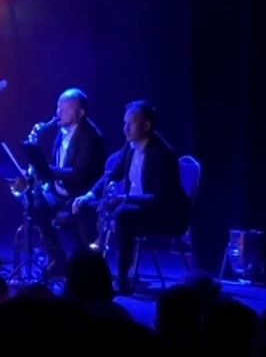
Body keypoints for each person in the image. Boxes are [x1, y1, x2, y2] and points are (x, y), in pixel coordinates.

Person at [71, 100, 190, 294]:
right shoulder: (130, 145)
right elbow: (112, 174)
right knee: (82, 206)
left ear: (146, 126)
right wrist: (89, 195)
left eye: (131, 123)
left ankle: (122, 280)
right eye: (124, 122)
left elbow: (160, 198)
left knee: (124, 214)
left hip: (164, 214)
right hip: (133, 206)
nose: (124, 128)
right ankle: (93, 266)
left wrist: (123, 198)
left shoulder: (163, 155)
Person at [23, 89, 107, 272]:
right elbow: (58, 162)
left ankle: (90, 258)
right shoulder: (63, 129)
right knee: (35, 206)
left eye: (64, 109)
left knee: (64, 218)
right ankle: (58, 259)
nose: (58, 113)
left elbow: (77, 174)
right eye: (58, 107)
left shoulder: (90, 137)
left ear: (80, 113)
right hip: (60, 191)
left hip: (80, 193)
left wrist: (45, 169)